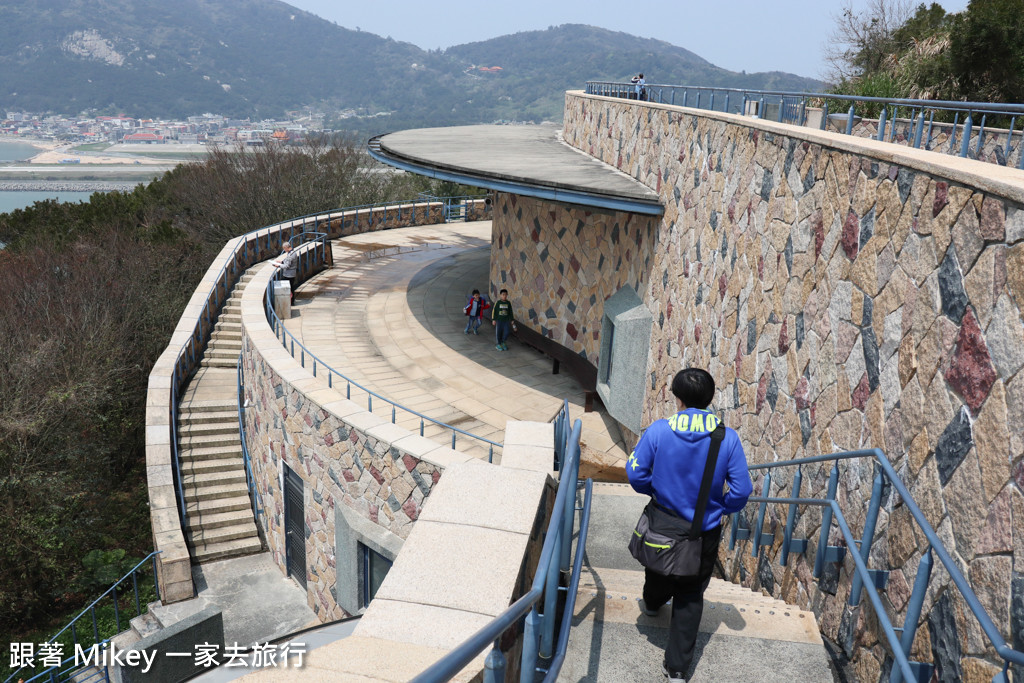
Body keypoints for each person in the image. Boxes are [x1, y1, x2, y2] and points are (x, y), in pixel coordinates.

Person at [626, 368, 752, 682]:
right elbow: (741, 490)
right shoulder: (726, 437)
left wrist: (652, 491)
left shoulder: (659, 430)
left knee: (657, 566)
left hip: (662, 521)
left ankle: (653, 604)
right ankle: (677, 670)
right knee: (691, 594)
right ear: (708, 400)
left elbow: (635, 473)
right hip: (702, 530)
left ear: (678, 398)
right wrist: (721, 508)